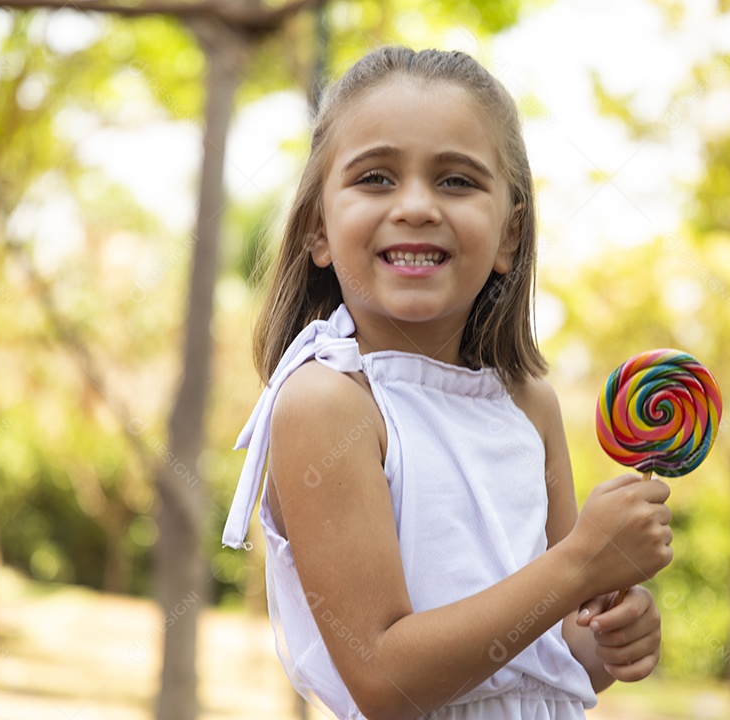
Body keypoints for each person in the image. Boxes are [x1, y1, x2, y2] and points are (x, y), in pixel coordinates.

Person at [222, 46, 674, 720]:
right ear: (319, 226)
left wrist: (604, 637)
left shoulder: (530, 405)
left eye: (457, 181)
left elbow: (542, 653)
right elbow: (385, 679)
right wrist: (581, 561)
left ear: (508, 237)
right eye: (375, 177)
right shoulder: (328, 402)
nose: (415, 206)